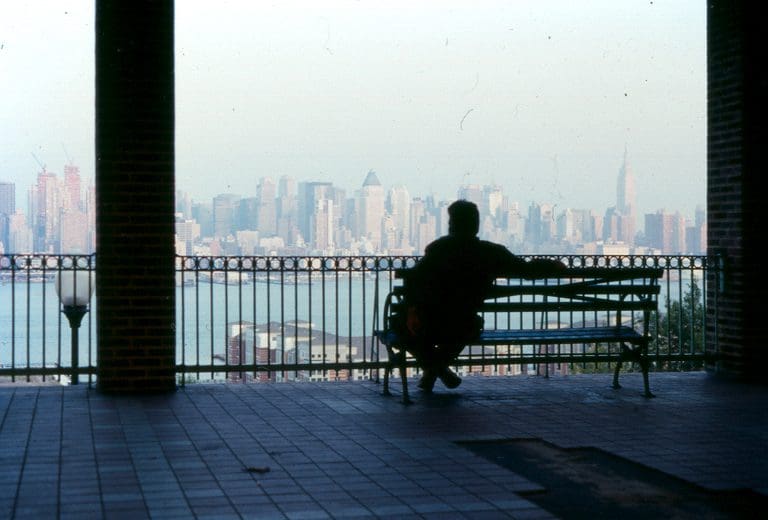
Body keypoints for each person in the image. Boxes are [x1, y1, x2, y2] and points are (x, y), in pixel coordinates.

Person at [401, 200, 566, 392]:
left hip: (429, 321)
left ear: (451, 225)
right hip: (463, 323)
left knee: (398, 328)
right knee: (469, 328)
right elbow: (526, 270)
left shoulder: (437, 250)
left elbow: (413, 280)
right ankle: (438, 370)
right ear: (476, 225)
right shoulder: (491, 253)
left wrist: (412, 309)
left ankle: (435, 369)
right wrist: (553, 265)